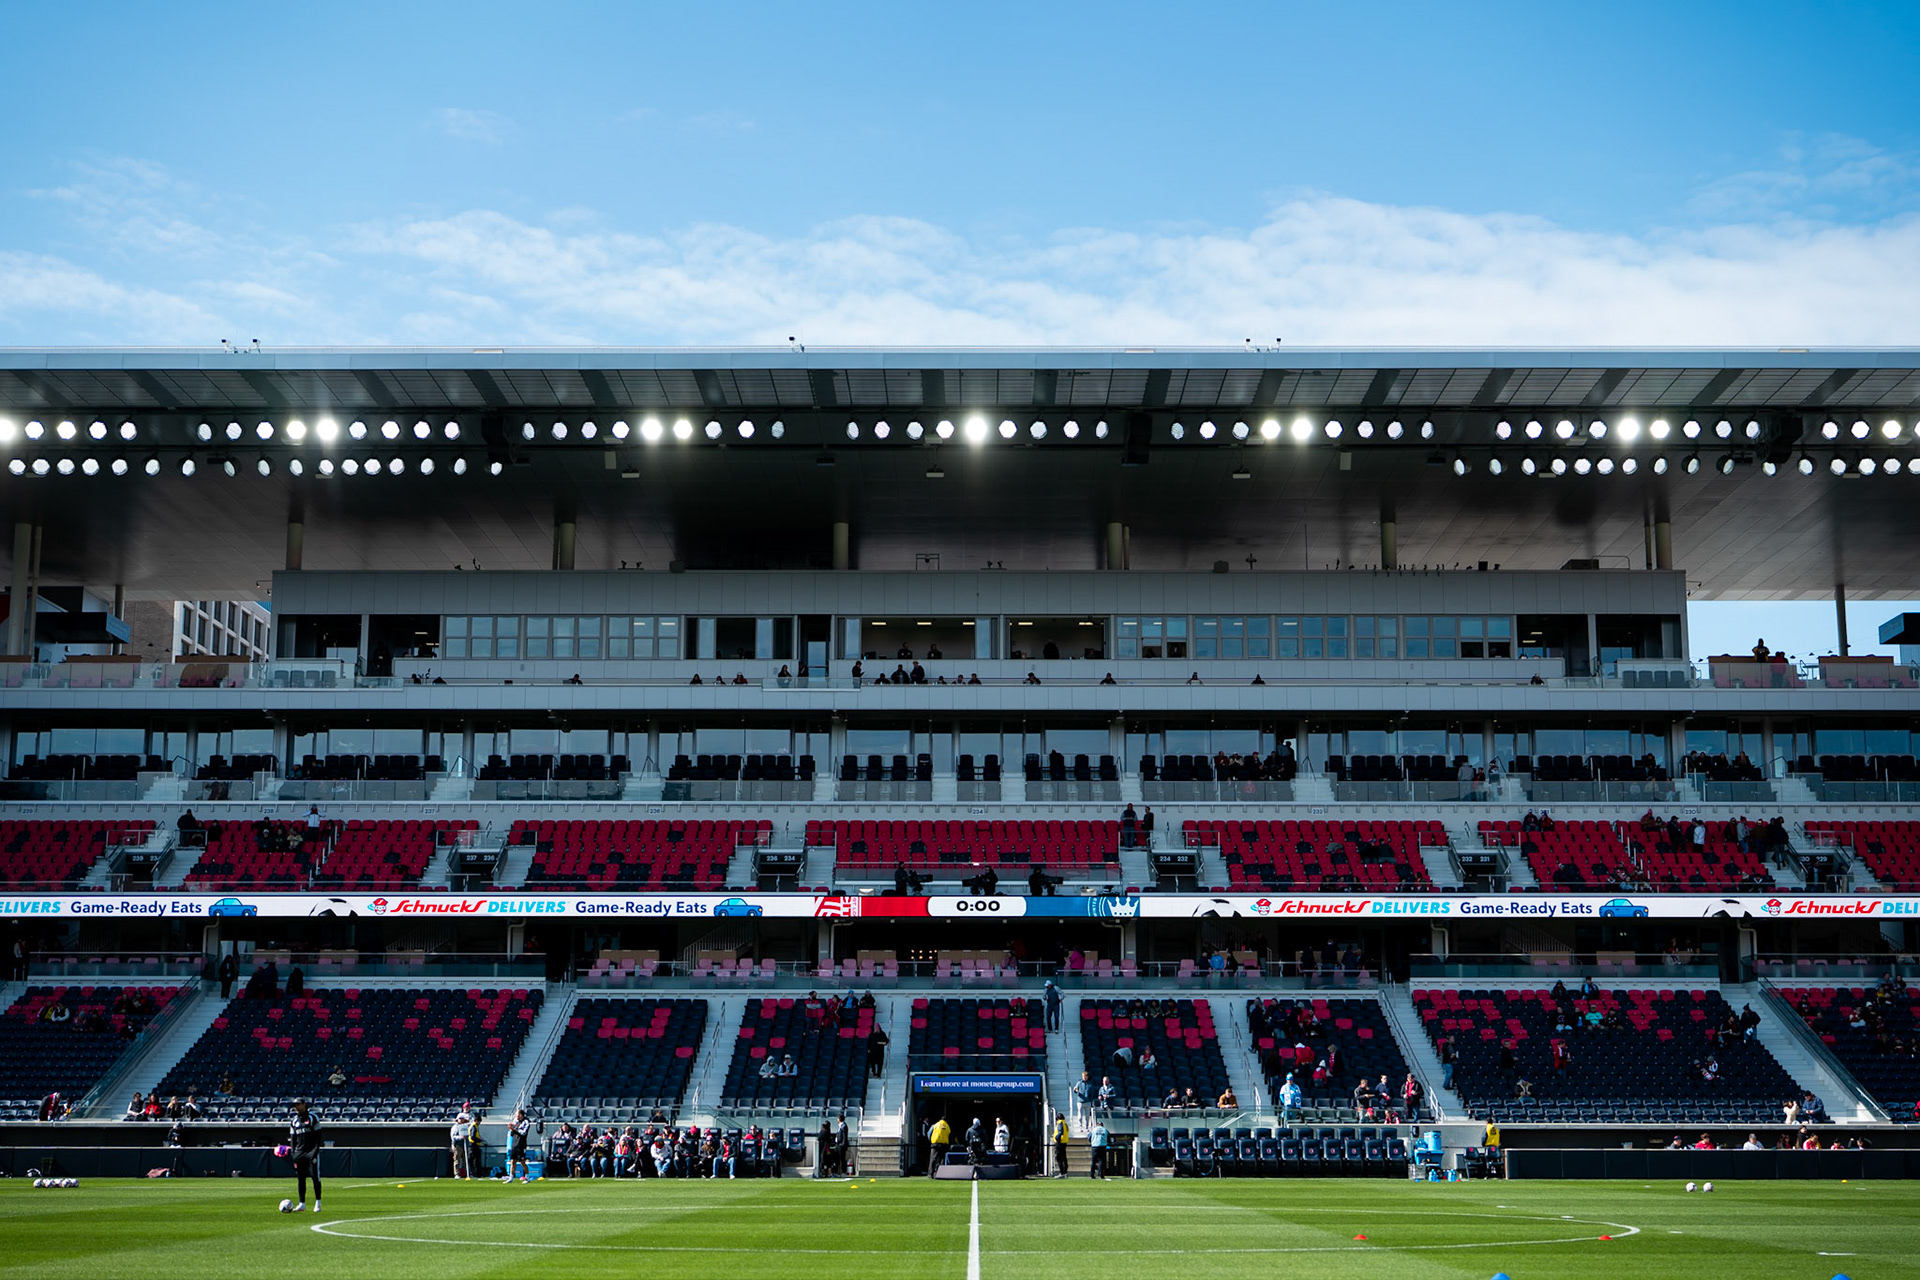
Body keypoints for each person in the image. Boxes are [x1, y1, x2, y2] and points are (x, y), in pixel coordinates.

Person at [287, 1098, 322, 1213]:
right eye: (294, 1105)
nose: (296, 1107)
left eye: (298, 1104)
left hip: (311, 1151)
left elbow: (318, 1137)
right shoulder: (294, 1121)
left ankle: (318, 1202)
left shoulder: (313, 1118)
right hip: (300, 1152)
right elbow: (293, 1139)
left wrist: (315, 1152)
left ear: (304, 1104)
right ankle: (302, 1203)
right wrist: (294, 1153)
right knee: (301, 1178)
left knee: (314, 1177)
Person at [506, 1106, 532, 1183]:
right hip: (514, 1143)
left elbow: (523, 1132)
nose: (516, 1116)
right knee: (512, 1161)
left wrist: (515, 1129)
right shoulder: (516, 1121)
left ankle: (527, 1177)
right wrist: (511, 1129)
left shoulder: (526, 1122)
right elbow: (511, 1133)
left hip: (521, 1144)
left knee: (522, 1161)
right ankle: (511, 1177)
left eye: (518, 1114)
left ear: (521, 1115)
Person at [450, 1104, 474, 1179]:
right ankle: (456, 1174)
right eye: (460, 1119)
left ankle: (467, 1173)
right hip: (458, 1144)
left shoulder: (465, 1126)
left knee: (465, 1159)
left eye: (462, 1119)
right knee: (457, 1159)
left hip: (465, 1143)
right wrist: (459, 1138)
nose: (461, 1120)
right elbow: (453, 1136)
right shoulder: (455, 1127)